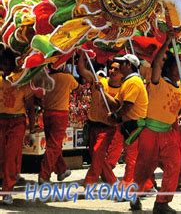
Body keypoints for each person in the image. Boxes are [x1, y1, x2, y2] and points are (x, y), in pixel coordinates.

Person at [130, 35, 181, 213]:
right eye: (179, 66)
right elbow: (156, 63)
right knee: (143, 169)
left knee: (174, 166)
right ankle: (134, 195)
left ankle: (162, 202)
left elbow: (180, 118)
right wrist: (167, 42)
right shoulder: (158, 82)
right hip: (150, 132)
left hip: (168, 134)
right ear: (171, 68)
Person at [77, 53, 121, 186]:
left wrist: (104, 92)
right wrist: (82, 55)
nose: (112, 71)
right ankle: (112, 181)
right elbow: (82, 71)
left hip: (107, 128)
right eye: (111, 68)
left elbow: (117, 106)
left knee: (97, 153)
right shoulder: (99, 80)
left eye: (116, 69)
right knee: (97, 156)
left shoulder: (123, 89)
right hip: (92, 125)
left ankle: (89, 183)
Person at [0, 46, 36, 205]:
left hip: (17, 123)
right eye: (2, 64)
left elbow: (30, 107)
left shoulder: (23, 81)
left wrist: (32, 129)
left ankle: (7, 190)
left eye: (8, 65)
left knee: (10, 156)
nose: (5, 68)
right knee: (2, 156)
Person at [107, 53, 148, 187]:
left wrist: (115, 116)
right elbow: (117, 103)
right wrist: (102, 92)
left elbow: (127, 106)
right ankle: (145, 185)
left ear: (129, 65)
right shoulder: (127, 81)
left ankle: (129, 185)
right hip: (130, 125)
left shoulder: (133, 82)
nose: (119, 66)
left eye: (122, 63)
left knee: (132, 158)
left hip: (135, 125)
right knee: (133, 157)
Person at [38, 63, 79, 183]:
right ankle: (44, 175)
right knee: (54, 146)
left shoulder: (46, 77)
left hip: (47, 113)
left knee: (53, 144)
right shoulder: (67, 77)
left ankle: (62, 170)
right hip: (60, 114)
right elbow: (77, 87)